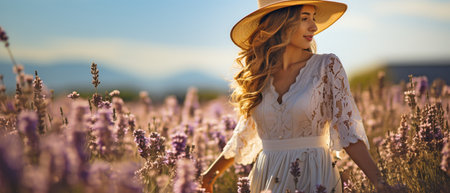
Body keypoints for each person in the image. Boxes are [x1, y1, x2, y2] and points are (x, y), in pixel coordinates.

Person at [202, 0, 393, 192]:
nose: (314, 26)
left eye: (313, 18)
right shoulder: (259, 74)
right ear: (280, 22)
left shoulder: (327, 67)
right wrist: (208, 176)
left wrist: (380, 183)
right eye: (304, 18)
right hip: (266, 177)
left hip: (314, 175)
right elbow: (244, 135)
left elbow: (348, 132)